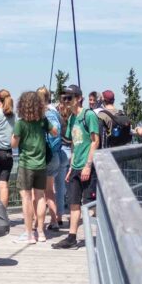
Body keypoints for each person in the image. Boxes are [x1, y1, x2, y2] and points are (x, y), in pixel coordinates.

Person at [54, 85, 100, 250]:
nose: (66, 101)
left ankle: (100, 235)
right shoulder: (72, 118)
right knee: (73, 203)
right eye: (64, 98)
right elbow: (74, 144)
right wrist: (72, 167)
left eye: (69, 97)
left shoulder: (89, 116)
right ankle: (72, 237)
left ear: (79, 98)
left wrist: (88, 166)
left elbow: (95, 141)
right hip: (76, 167)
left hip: (88, 166)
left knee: (90, 205)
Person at [11, 91, 58, 244]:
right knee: (40, 197)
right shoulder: (43, 121)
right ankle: (41, 233)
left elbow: (14, 144)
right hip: (41, 163)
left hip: (26, 164)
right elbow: (55, 132)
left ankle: (29, 234)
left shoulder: (21, 123)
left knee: (26, 198)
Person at [38, 86, 65, 232]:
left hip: (44, 156)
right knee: (50, 190)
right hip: (56, 154)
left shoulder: (45, 114)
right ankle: (54, 220)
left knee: (39, 192)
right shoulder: (55, 111)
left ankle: (38, 224)